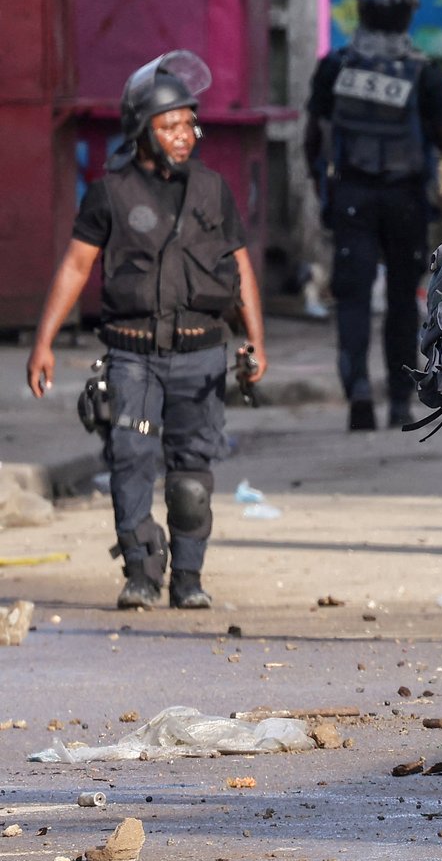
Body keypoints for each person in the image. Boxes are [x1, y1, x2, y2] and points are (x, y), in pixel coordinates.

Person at [25, 51, 267, 610]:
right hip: (131, 353)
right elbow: (75, 266)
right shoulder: (109, 193)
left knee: (190, 474)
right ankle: (139, 572)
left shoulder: (212, 189)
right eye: (171, 125)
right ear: (141, 130)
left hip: (202, 352)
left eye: (190, 123)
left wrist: (256, 341)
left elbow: (241, 268)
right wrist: (43, 343)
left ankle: (188, 579)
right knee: (129, 456)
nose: (185, 135)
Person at [305, 0, 442, 431]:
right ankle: (398, 399)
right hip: (405, 199)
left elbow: (312, 138)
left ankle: (356, 390)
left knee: (352, 299)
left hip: (352, 195)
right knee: (400, 300)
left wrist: (324, 192)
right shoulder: (422, 71)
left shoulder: (336, 65)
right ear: (408, 15)